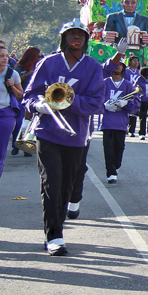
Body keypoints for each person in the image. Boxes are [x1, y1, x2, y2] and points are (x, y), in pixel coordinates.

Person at [22, 19, 105, 256]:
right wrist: (39, 106)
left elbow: (96, 103)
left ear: (86, 39)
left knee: (66, 187)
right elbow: (29, 96)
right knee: (51, 182)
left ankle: (55, 229)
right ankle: (54, 236)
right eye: (71, 34)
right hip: (47, 132)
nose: (76, 38)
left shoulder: (93, 67)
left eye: (80, 34)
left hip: (76, 135)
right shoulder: (47, 63)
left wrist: (66, 100)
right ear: (64, 38)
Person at [100, 62, 140, 183]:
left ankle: (115, 165)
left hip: (121, 122)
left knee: (119, 147)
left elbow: (136, 103)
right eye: (116, 65)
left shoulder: (128, 85)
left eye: (120, 65)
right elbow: (96, 100)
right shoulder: (104, 83)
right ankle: (111, 172)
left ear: (123, 68)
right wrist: (104, 106)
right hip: (107, 122)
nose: (117, 67)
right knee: (108, 148)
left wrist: (127, 103)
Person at [0, 45, 23, 197]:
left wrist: (12, 86)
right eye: (1, 56)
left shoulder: (12, 74)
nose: (5, 58)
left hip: (5, 115)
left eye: (6, 56)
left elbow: (20, 95)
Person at [10, 47, 40, 156]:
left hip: (33, 99)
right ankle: (16, 145)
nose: (39, 57)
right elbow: (15, 81)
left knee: (31, 124)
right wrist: (28, 74)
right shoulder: (19, 67)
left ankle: (27, 147)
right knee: (19, 123)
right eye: (37, 55)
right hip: (20, 98)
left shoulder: (39, 66)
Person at [136, 66, 148, 140]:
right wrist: (138, 92)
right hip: (143, 100)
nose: (147, 77)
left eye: (147, 76)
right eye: (145, 76)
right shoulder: (139, 79)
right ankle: (142, 133)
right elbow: (135, 87)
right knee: (142, 116)